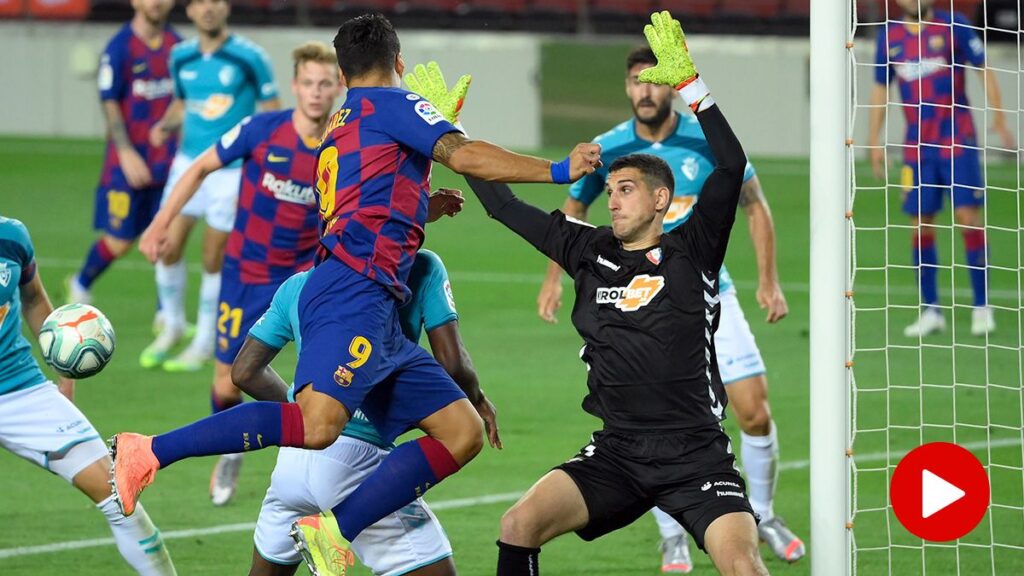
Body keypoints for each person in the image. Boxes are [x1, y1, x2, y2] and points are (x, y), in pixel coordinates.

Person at [110, 13, 600, 576]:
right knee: (318, 427)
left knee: (461, 431)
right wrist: (559, 168)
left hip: (373, 301)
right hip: (354, 293)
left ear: (341, 76)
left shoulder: (338, 131)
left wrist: (422, 208)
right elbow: (464, 157)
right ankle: (147, 451)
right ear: (398, 62)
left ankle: (335, 531)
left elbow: (359, 214)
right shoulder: (392, 104)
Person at [470, 13, 768, 576]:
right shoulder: (586, 250)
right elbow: (503, 206)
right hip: (618, 453)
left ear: (661, 200)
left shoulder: (694, 250)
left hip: (695, 455)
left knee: (743, 565)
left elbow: (730, 164)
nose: (614, 201)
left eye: (626, 190)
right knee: (518, 526)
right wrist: (449, 140)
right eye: (610, 190)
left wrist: (693, 87)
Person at [536, 45, 802, 568]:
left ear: (669, 88)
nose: (645, 90)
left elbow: (754, 205)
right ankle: (673, 532)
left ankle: (762, 514)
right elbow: (573, 209)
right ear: (627, 87)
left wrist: (769, 280)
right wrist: (555, 279)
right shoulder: (609, 148)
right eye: (636, 81)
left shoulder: (704, 140)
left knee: (755, 411)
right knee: (648, 414)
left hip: (708, 293)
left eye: (654, 81)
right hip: (639, 301)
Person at [138, 41, 340, 507]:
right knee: (227, 385)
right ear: (294, 85)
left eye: (324, 83)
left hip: (308, 280)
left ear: (338, 87)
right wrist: (161, 220)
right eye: (307, 82)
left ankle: (313, 458)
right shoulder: (261, 129)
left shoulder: (341, 144)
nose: (314, 92)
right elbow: (201, 166)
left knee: (326, 382)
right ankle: (232, 450)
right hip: (247, 274)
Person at [235, 249, 499, 576]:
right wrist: (476, 399)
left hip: (292, 465)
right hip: (357, 468)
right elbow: (454, 363)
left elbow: (245, 371)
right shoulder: (421, 267)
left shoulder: (300, 284)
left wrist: (305, 417)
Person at [0, 216, 176, 575]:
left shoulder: (11, 236)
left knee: (119, 497)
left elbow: (33, 299)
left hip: (19, 387)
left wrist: (64, 375)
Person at [141, 0, 280, 372]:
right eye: (200, 2)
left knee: (212, 257)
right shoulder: (180, 56)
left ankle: (203, 342)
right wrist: (164, 125)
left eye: (215, 2)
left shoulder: (250, 57)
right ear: (189, 11)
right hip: (187, 164)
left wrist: (272, 160)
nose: (208, 9)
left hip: (231, 171)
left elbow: (273, 110)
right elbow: (183, 104)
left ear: (226, 8)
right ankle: (171, 326)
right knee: (166, 245)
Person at [868, 0, 1012, 338]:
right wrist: (873, 140)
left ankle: (981, 306)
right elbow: (879, 88)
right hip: (917, 149)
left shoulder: (955, 25)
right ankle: (931, 309)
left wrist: (1000, 115)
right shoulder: (888, 38)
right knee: (920, 225)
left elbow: (983, 67)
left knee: (968, 218)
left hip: (957, 141)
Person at [67, 0, 179, 305]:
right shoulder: (119, 47)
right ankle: (80, 282)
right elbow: (109, 101)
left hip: (167, 162)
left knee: (167, 236)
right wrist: (126, 152)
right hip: (125, 166)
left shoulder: (177, 46)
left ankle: (166, 314)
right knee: (120, 240)